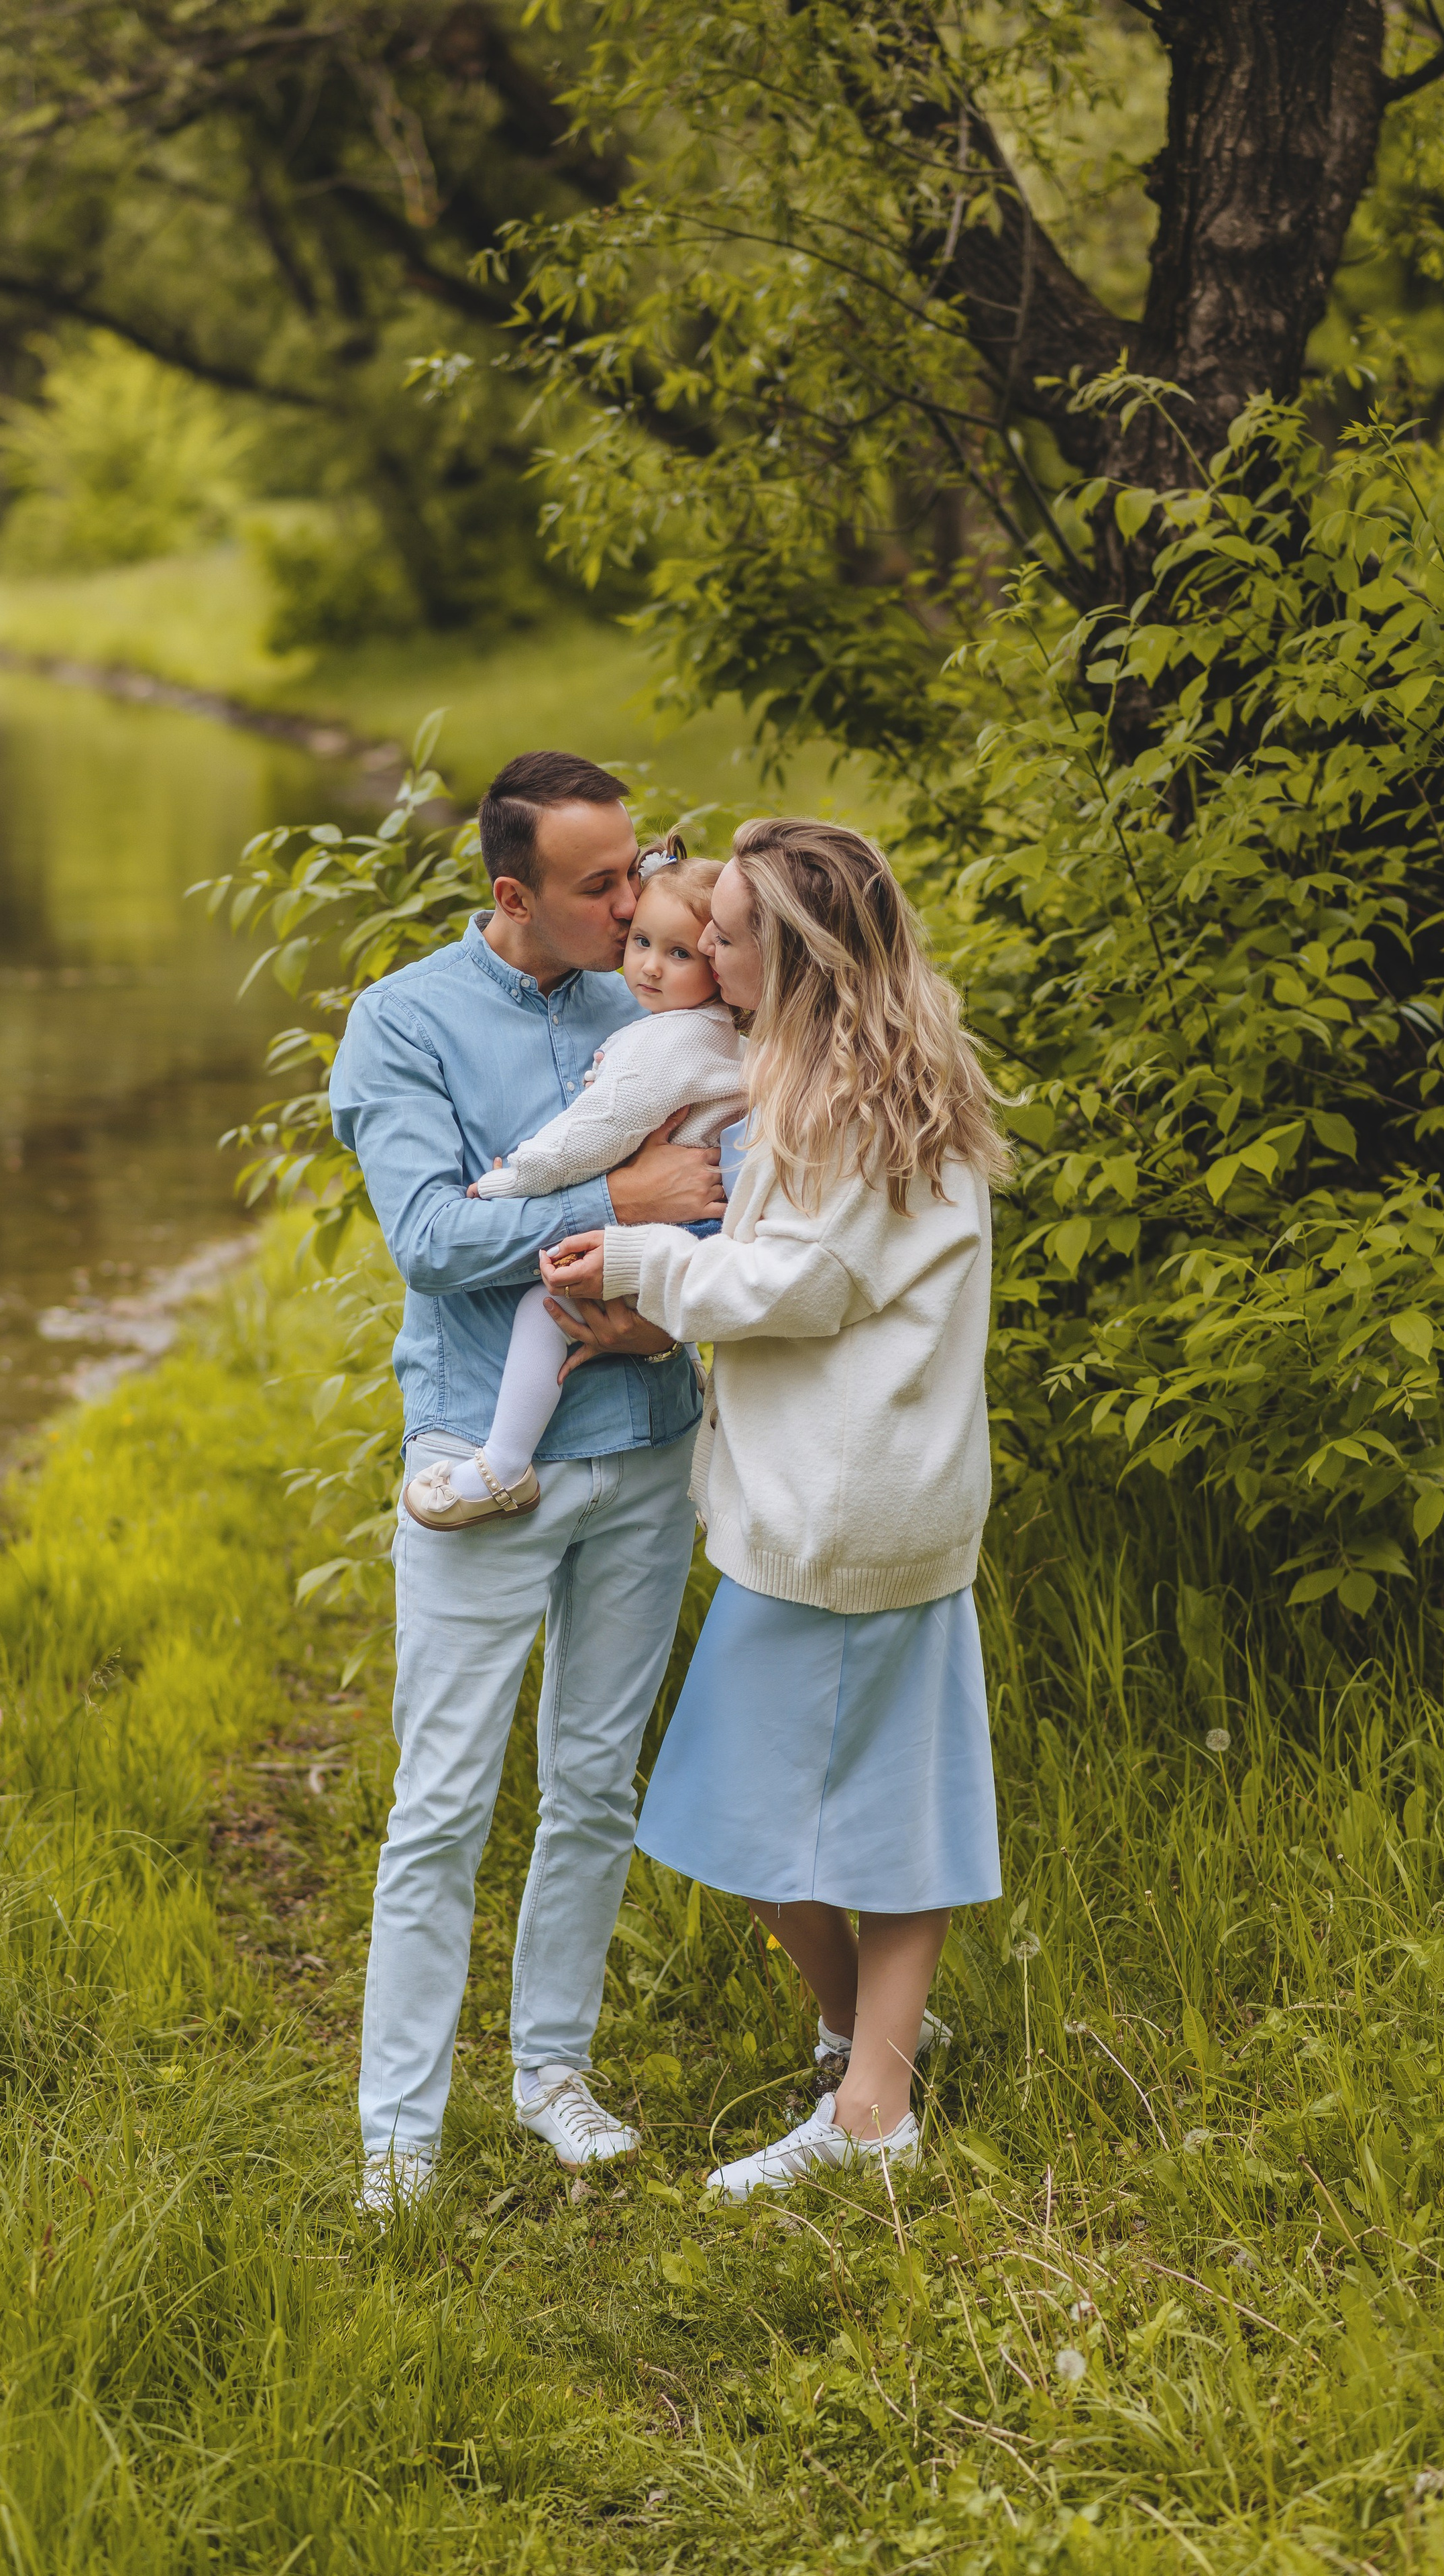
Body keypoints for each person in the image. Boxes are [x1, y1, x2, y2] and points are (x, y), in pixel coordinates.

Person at [541, 817, 1008, 2202]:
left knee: (739, 1809)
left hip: (844, 1508)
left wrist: (636, 1260)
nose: (699, 949)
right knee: (854, 1797)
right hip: (867, 1494)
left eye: (728, 930)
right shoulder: (850, 1065)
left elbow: (799, 1289)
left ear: (791, 952)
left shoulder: (847, 1096)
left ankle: (872, 2098)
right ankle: (873, 2059)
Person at [329, 751, 724, 2222]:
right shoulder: (403, 1023)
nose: (637, 906)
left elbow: (738, 1201)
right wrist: (617, 1202)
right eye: (599, 887)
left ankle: (550, 2071)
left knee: (592, 1787)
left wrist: (664, 1294)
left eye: (637, 872)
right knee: (438, 1807)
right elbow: (433, 1239)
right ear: (513, 894)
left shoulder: (666, 998)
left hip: (639, 1451)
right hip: (476, 1472)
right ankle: (397, 2136)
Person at [402, 848, 746, 1531]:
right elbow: (427, 1246)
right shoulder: (715, 1032)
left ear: (717, 960)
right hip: (703, 1230)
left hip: (678, 1229)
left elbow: (595, 1132)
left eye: (678, 955)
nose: (647, 966)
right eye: (641, 942)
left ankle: (502, 1463)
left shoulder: (666, 1041)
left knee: (547, 1299)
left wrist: (510, 1180)